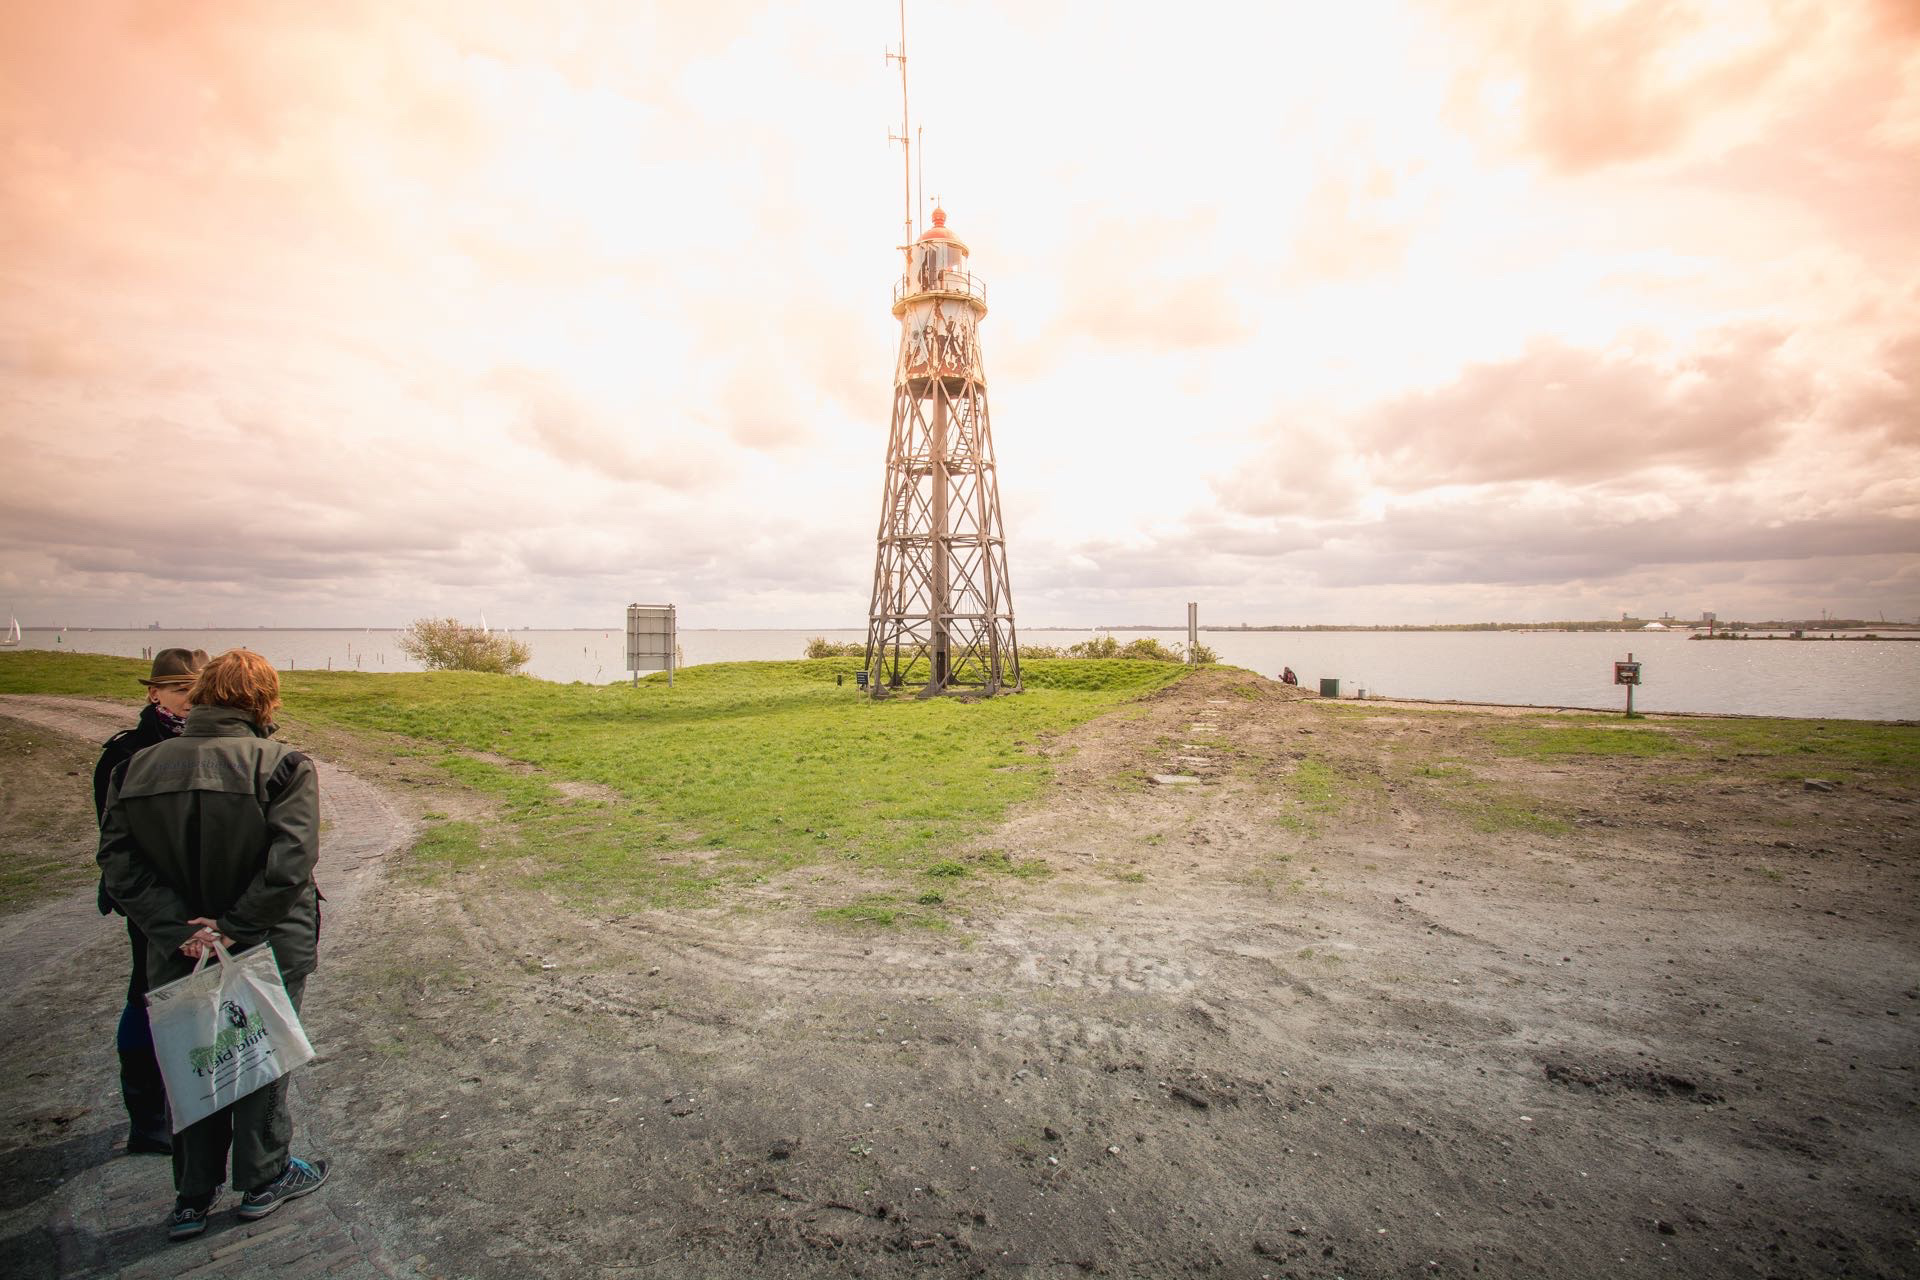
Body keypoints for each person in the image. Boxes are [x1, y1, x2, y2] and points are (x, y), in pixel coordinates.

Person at [98, 649, 330, 1241]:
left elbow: (118, 864)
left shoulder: (135, 768)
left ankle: (192, 1194)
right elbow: (291, 863)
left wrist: (179, 930)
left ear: (200, 694)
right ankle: (264, 1176)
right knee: (262, 1052)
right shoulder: (281, 765)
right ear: (264, 701)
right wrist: (232, 926)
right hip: (267, 937)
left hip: (178, 946)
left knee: (192, 1057)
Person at [92, 647, 209, 1156]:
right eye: (180, 690)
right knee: (146, 995)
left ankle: (202, 1094)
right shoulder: (125, 754)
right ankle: (147, 1117)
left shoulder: (214, 745)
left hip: (207, 899)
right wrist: (166, 914)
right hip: (154, 902)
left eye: (197, 690)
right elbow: (118, 845)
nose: (189, 700)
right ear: (155, 693)